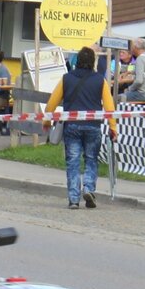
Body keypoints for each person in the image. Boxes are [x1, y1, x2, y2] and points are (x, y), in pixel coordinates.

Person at [48, 48, 113, 208]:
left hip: (72, 125)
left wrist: (46, 122)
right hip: (93, 125)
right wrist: (113, 127)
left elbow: (51, 104)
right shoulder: (100, 80)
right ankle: (89, 189)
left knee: (73, 161)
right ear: (93, 62)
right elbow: (109, 107)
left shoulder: (66, 78)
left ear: (77, 61)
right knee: (91, 159)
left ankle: (74, 199)